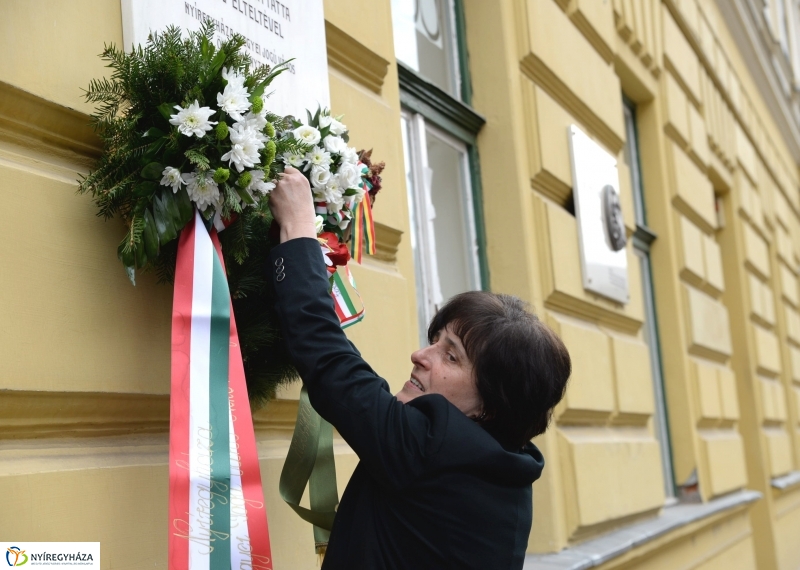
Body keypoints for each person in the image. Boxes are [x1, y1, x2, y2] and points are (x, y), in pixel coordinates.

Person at [267, 166, 572, 570]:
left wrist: (300, 225)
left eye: (451, 356)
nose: (420, 356)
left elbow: (330, 361)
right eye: (435, 340)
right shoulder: (505, 467)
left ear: (491, 406)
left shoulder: (435, 450)